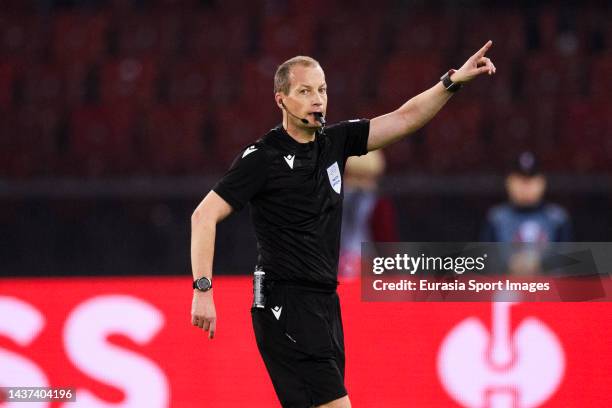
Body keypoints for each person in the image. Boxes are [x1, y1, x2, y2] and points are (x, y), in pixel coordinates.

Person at [191, 42, 496, 408]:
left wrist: (451, 82)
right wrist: (203, 289)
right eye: (304, 91)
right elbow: (204, 214)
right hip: (284, 301)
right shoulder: (263, 157)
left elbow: (403, 117)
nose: (317, 99)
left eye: (321, 90)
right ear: (281, 100)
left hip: (323, 301)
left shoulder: (334, 143)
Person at [481, 151, 573, 244]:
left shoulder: (557, 219)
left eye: (531, 180)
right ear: (509, 182)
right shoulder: (497, 218)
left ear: (542, 183)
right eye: (520, 179)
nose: (526, 187)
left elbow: (567, 256)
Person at [339, 150, 398, 280]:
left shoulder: (330, 199)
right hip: (365, 265)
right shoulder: (378, 204)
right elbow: (385, 241)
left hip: (332, 264)